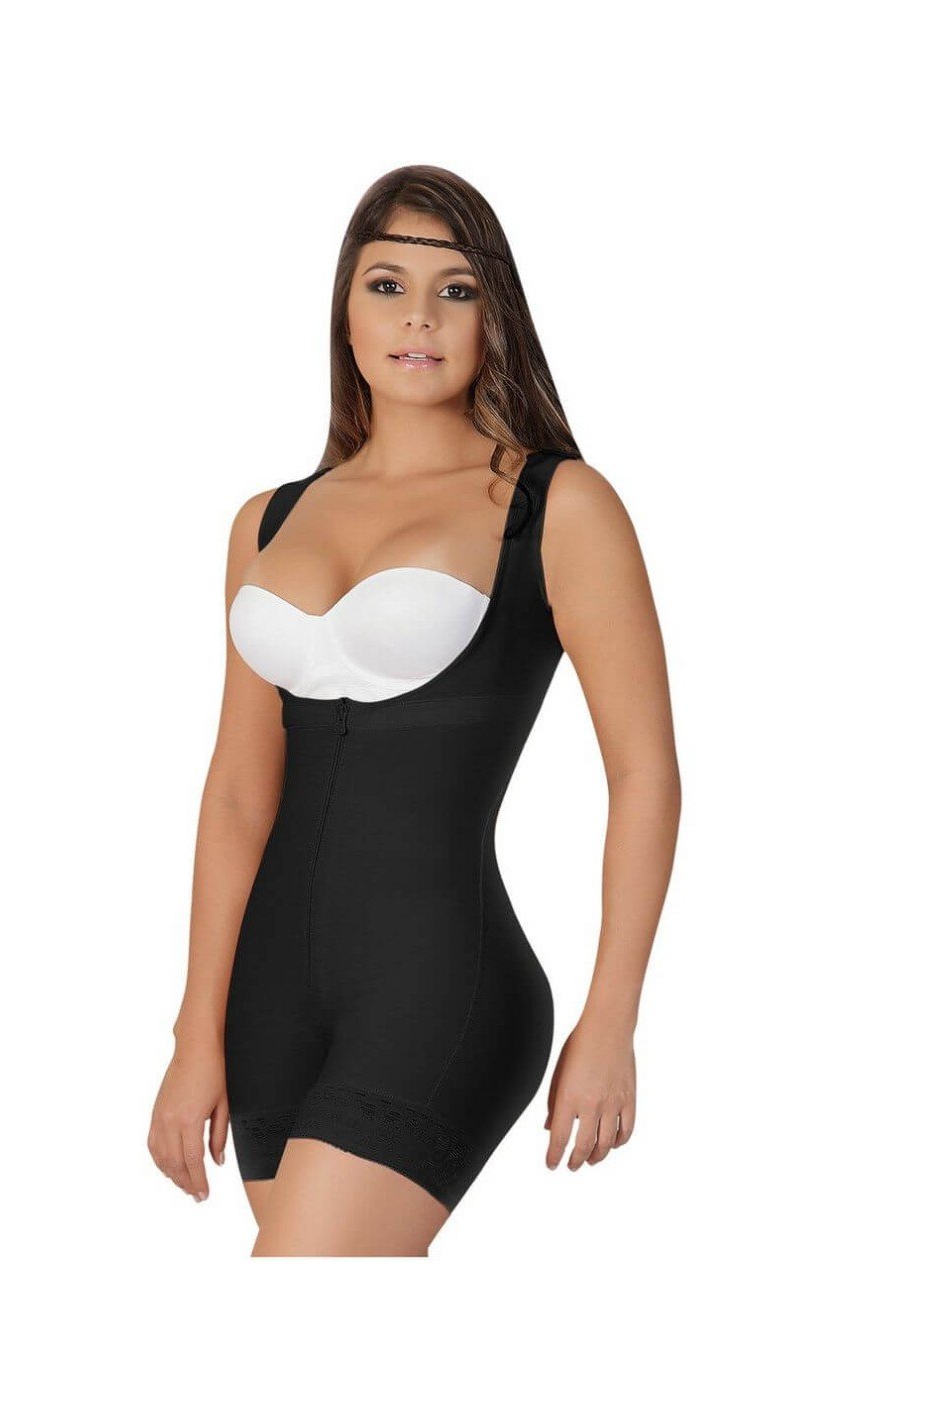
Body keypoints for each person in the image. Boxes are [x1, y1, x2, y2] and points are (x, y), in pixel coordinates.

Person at [148, 165, 681, 1256]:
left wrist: (613, 1016)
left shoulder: (554, 505)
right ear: (344, 312)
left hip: (440, 986)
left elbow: (643, 774)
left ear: (495, 315)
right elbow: (239, 791)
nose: (419, 318)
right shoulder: (267, 521)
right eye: (386, 285)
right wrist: (194, 1028)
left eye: (456, 291)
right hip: (268, 1002)